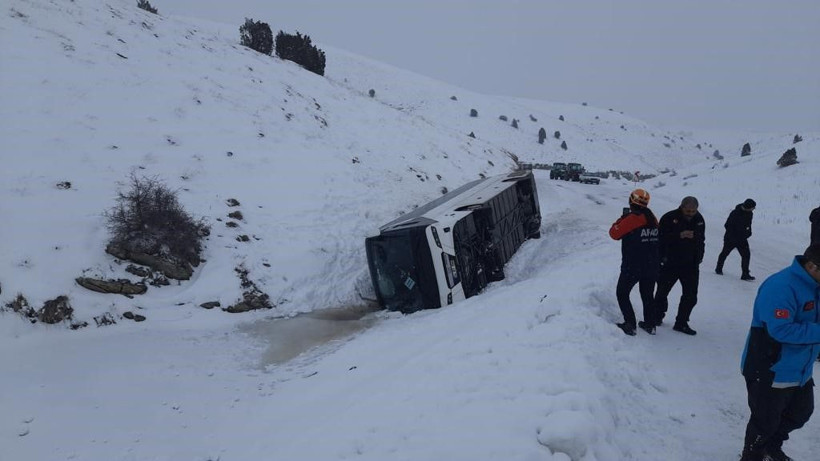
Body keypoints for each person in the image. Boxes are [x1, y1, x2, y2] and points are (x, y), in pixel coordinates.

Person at [739, 244, 820, 461]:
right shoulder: (781, 286)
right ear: (813, 266)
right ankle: (753, 455)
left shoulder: (816, 286)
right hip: (771, 368)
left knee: (800, 414)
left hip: (800, 370)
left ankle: (771, 447)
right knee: (764, 421)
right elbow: (780, 330)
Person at [649, 196, 705, 336]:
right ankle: (657, 316)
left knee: (691, 296)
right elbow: (660, 238)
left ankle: (681, 322)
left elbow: (701, 239)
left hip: (690, 264)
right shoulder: (669, 217)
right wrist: (679, 235)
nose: (690, 213)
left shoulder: (699, 219)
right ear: (681, 207)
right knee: (662, 292)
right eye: (688, 210)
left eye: (693, 211)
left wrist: (699, 256)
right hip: (670, 263)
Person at [609, 188, 659, 336]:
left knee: (622, 293)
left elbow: (614, 233)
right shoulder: (652, 218)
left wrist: (621, 219)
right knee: (647, 295)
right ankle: (650, 324)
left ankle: (630, 324)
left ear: (631, 201)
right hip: (651, 265)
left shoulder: (633, 218)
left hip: (634, 266)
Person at [716, 198, 756, 280]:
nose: (754, 209)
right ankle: (718, 268)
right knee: (725, 253)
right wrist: (734, 235)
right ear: (748, 207)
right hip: (730, 238)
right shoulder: (735, 213)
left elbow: (748, 225)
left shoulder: (750, 213)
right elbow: (727, 225)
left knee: (746, 255)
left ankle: (745, 274)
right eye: (753, 207)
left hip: (742, 239)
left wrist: (748, 233)